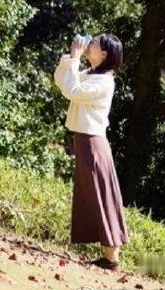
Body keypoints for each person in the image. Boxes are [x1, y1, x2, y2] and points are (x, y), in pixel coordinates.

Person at [53, 33, 130, 271]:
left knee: (101, 195)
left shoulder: (104, 81)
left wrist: (75, 58)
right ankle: (110, 257)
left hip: (93, 142)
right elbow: (61, 81)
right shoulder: (92, 75)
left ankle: (112, 258)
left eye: (95, 43)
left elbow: (72, 91)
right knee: (93, 194)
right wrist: (71, 59)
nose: (90, 44)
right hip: (85, 140)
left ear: (104, 54)